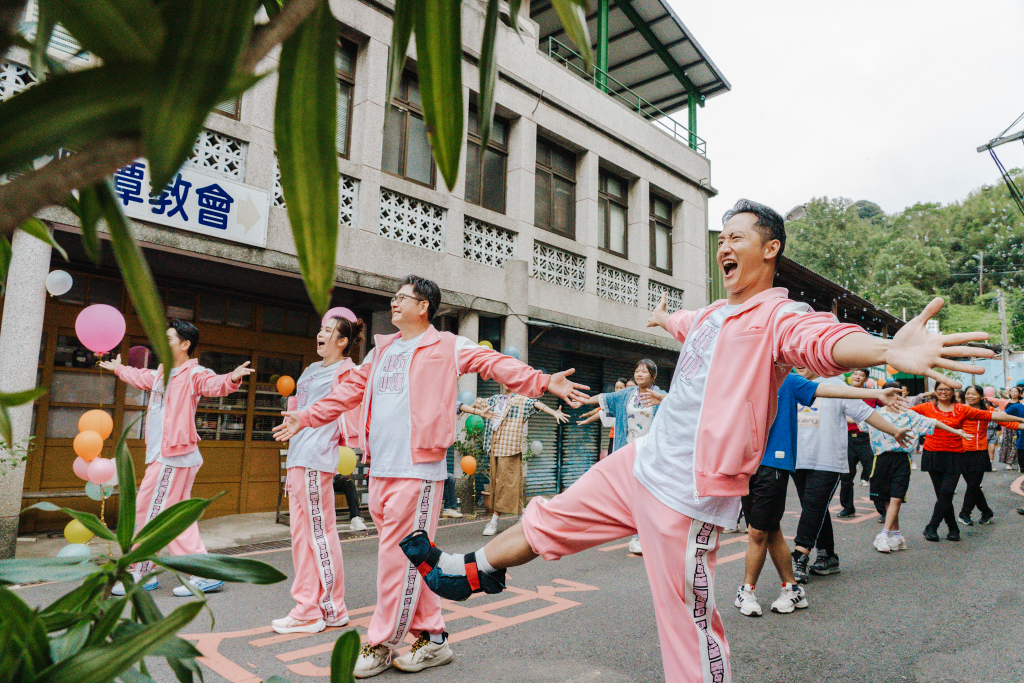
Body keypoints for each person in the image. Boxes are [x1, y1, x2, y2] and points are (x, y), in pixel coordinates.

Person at [401, 199, 995, 683]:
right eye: (722, 238)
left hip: (688, 494)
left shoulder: (780, 317)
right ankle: (465, 572)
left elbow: (823, 342)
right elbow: (684, 322)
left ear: (770, 249)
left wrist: (887, 348)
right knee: (548, 519)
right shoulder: (712, 315)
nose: (724, 246)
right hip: (641, 462)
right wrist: (664, 320)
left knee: (687, 628)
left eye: (738, 237)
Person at [273, 275, 588, 679]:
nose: (394, 302)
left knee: (396, 559)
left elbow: (493, 363)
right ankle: (434, 638)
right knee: (414, 560)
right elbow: (348, 392)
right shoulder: (380, 352)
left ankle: (381, 642)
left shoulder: (448, 345)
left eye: (402, 297)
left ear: (424, 307)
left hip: (418, 471)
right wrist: (306, 416)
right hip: (381, 470)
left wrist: (542, 381)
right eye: (394, 297)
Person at [100, 319, 253, 597]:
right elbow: (141, 377)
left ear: (185, 344)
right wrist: (119, 369)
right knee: (175, 518)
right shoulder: (162, 373)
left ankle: (140, 573)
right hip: (171, 457)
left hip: (172, 458)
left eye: (168, 338)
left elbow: (212, 384)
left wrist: (232, 378)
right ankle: (204, 572)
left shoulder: (193, 373)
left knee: (148, 512)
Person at [735, 372, 904, 617]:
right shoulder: (750, 377)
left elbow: (849, 401)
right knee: (782, 523)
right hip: (776, 461)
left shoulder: (795, 382)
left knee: (797, 514)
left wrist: (878, 397)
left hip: (809, 461)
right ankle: (809, 571)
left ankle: (779, 570)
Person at [272, 314, 365, 634]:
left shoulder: (348, 372)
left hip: (317, 459)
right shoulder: (311, 370)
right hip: (298, 458)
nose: (320, 334)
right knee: (301, 539)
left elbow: (346, 412)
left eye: (328, 330)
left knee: (320, 536)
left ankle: (332, 607)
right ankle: (307, 608)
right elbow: (297, 412)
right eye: (321, 329)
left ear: (342, 341)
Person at [789, 368, 911, 582]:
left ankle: (800, 557)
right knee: (814, 508)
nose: (799, 363)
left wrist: (894, 431)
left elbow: (865, 413)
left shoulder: (836, 385)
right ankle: (828, 556)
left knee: (813, 506)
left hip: (827, 460)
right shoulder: (789, 384)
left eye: (804, 357)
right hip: (796, 459)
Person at [911, 381, 1024, 542]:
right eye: (940, 389)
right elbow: (903, 414)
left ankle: (933, 525)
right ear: (934, 391)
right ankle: (953, 528)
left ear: (953, 392)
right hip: (933, 454)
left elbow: (997, 417)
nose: (944, 392)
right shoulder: (926, 407)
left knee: (949, 492)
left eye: (947, 389)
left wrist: (1021, 421)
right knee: (943, 495)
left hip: (957, 454)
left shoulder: (962, 409)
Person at [862, 381, 965, 553]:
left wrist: (956, 431)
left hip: (902, 459)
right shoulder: (875, 414)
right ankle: (897, 536)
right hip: (881, 459)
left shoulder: (910, 415)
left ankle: (883, 535)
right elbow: (855, 419)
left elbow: (933, 422)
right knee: (887, 500)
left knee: (896, 498)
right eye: (891, 394)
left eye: (899, 394)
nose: (895, 397)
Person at [577, 360, 663, 555]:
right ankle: (638, 535)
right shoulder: (627, 394)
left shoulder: (660, 396)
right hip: (627, 450)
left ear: (654, 376)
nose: (639, 374)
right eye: (637, 370)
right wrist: (583, 400)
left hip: (650, 453)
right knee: (632, 493)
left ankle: (642, 536)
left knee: (647, 494)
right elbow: (605, 398)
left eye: (644, 371)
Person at [467, 386, 568, 536]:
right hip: (494, 446)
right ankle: (521, 514)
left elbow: (536, 404)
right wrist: (465, 410)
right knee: (504, 482)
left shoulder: (521, 400)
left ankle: (494, 520)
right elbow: (479, 402)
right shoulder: (495, 399)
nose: (508, 381)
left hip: (509, 447)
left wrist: (554, 412)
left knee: (504, 483)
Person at [958, 385, 1018, 526]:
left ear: (981, 397)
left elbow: (1006, 422)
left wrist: (1021, 424)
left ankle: (964, 513)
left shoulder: (988, 411)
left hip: (980, 453)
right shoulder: (960, 409)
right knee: (973, 486)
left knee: (973, 485)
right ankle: (986, 512)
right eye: (968, 393)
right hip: (962, 452)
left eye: (973, 394)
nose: (970, 396)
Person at [837, 369, 877, 516]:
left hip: (866, 440)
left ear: (866, 379)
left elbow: (885, 408)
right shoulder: (842, 392)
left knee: (873, 474)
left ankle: (883, 508)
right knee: (846, 477)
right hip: (847, 439)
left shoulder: (871, 395)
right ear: (851, 376)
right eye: (855, 374)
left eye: (861, 375)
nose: (857, 376)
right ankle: (847, 508)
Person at [997, 386, 1021, 470]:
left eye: (1015, 392)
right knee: (1007, 444)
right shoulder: (1007, 402)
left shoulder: (1021, 403)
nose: (1013, 393)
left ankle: (1016, 462)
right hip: (1008, 426)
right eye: (1012, 391)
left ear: (1019, 394)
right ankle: (1009, 463)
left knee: (1016, 444)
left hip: (1018, 426)